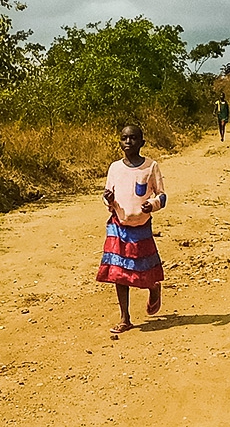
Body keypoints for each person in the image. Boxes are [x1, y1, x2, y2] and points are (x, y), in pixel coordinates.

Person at [98, 125, 168, 334]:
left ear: (142, 142)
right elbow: (106, 194)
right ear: (120, 142)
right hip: (118, 225)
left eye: (134, 138)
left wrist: (152, 204)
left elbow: (162, 196)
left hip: (141, 227)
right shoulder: (114, 168)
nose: (128, 142)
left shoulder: (150, 166)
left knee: (142, 269)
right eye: (124, 138)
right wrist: (107, 199)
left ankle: (153, 287)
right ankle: (125, 317)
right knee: (118, 272)